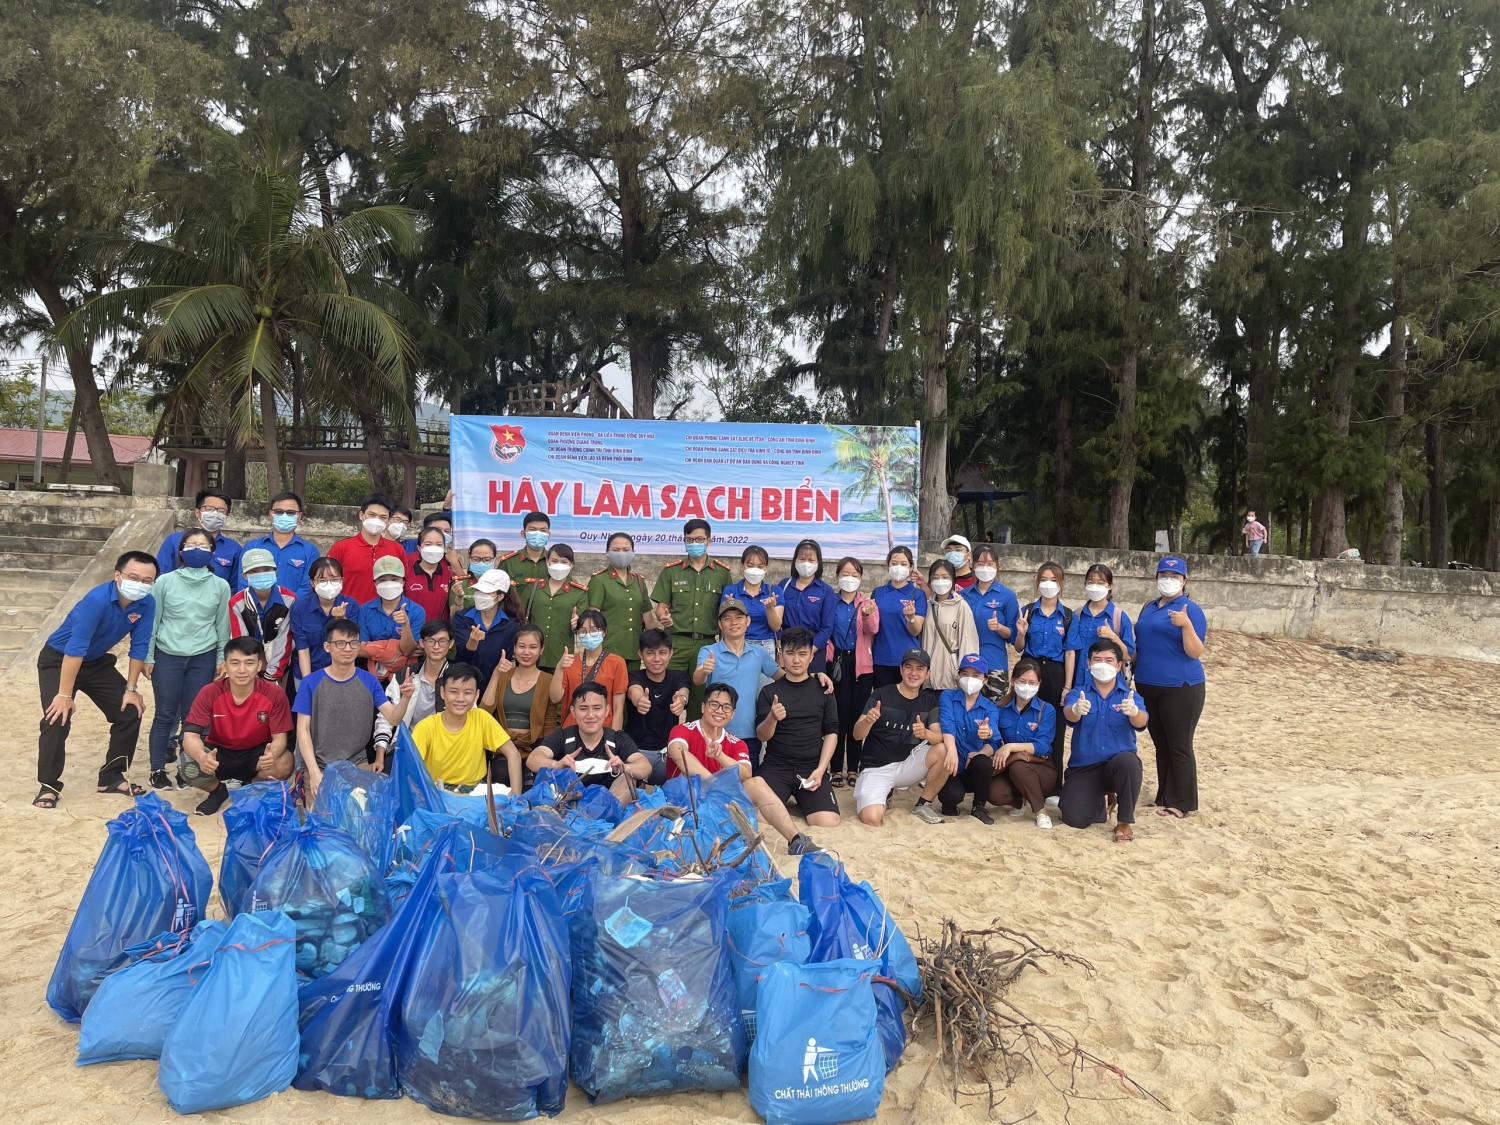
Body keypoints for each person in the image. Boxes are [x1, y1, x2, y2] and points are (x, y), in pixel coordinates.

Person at [33, 551, 158, 808]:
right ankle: (48, 785)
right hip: (60, 659)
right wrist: (64, 696)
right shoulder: (96, 600)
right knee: (57, 715)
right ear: (117, 575)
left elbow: (140, 646)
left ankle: (111, 776)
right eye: (134, 577)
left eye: (148, 580)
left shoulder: (147, 603)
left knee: (130, 709)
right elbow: (74, 648)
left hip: (96, 661)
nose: (141, 584)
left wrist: (131, 689)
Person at [666, 682, 821, 855]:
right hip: (686, 803)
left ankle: (796, 840)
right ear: (703, 707)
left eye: (726, 707)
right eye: (714, 704)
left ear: (732, 714)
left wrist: (719, 756)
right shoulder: (683, 730)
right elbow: (678, 753)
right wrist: (713, 784)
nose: (719, 710)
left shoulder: (736, 742)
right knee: (684, 765)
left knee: (757, 783)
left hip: (720, 805)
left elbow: (746, 773)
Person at [145, 529, 232, 792]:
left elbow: (222, 626)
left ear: (212, 553)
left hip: (203, 657)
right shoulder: (164, 582)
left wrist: (221, 657)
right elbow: (153, 621)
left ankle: (188, 769)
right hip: (167, 654)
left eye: (203, 545)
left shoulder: (220, 585)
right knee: (164, 713)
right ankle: (157, 769)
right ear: (181, 550)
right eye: (191, 544)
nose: (197, 548)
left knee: (194, 718)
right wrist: (148, 656)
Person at [292, 617, 413, 805]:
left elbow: (393, 718)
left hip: (356, 762)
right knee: (322, 821)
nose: (348, 649)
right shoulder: (311, 683)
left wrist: (405, 698)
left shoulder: (370, 680)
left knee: (364, 815)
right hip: (319, 764)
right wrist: (314, 773)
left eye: (353, 643)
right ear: (327, 646)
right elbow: (302, 730)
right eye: (340, 643)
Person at [695, 598, 819, 767]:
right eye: (727, 618)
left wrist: (815, 677)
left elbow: (784, 677)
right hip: (716, 732)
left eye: (738, 618)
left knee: (747, 786)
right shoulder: (709, 651)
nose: (733, 623)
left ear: (748, 621)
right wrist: (704, 670)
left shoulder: (758, 653)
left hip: (749, 735)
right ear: (720, 623)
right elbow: (698, 679)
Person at [177, 637, 294, 815]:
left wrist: (272, 755)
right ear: (225, 666)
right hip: (220, 753)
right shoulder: (210, 692)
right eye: (235, 663)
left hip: (256, 753)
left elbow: (280, 738)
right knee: (187, 765)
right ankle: (217, 792)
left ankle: (251, 786)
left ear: (259, 665)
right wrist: (201, 756)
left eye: (249, 663)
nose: (241, 670)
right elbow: (190, 734)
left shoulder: (274, 693)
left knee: (284, 762)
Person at [1134, 555, 1208, 819]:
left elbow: (1195, 650)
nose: (1168, 580)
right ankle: (1165, 795)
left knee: (1180, 745)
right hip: (1148, 685)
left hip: (1181, 686)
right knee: (1161, 744)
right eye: (1164, 575)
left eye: (1174, 576)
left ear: (1184, 580)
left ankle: (1182, 802)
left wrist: (1186, 625)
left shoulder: (1191, 609)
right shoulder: (1149, 607)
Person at [1060, 639, 1149, 842]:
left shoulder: (1129, 695)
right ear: (1088, 664)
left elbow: (1142, 721)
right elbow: (1069, 715)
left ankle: (1124, 822)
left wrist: (1134, 712)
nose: (1103, 664)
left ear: (1118, 666)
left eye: (1109, 660)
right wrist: (1075, 710)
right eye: (1097, 659)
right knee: (1074, 818)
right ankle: (1105, 801)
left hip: (1117, 765)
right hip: (1085, 767)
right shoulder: (1078, 693)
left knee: (1129, 762)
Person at [849, 648, 951, 826]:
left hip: (907, 766)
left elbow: (938, 737)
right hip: (877, 767)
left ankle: (923, 803)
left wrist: (925, 733)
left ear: (928, 674)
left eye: (920, 669)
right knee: (871, 818)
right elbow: (857, 735)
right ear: (901, 669)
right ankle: (884, 793)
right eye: (909, 667)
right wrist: (868, 721)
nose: (913, 673)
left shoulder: (929, 701)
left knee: (943, 749)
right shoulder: (881, 694)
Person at [754, 627, 841, 828]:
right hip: (776, 767)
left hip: (811, 768)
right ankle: (787, 797)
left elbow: (831, 733)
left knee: (827, 821)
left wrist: (821, 769)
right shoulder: (770, 691)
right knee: (761, 817)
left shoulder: (824, 690)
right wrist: (772, 718)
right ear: (781, 655)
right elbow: (762, 735)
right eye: (790, 653)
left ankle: (804, 800)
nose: (796, 660)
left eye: (802, 654)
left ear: (811, 656)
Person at [527, 682, 650, 805]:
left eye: (597, 708)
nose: (590, 715)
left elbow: (645, 766)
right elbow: (533, 759)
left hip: (609, 811)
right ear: (573, 711)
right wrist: (557, 765)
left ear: (607, 710)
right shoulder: (563, 736)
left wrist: (624, 767)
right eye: (583, 708)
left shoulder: (617, 738)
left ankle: (600, 815)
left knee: (629, 776)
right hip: (570, 809)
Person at [411, 663, 522, 792]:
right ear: (442, 692)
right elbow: (410, 769)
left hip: (474, 792)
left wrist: (515, 796)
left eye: (468, 692)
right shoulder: (426, 727)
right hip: (438, 791)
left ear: (476, 695)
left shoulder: (481, 718)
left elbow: (514, 754)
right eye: (454, 692)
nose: (460, 699)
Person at [651, 518, 733, 681]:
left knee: (700, 696)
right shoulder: (671, 571)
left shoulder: (721, 573)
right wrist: (663, 617)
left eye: (700, 539)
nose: (694, 543)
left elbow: (726, 612)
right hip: (676, 643)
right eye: (690, 540)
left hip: (707, 644)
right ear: (684, 541)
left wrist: (725, 646)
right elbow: (661, 607)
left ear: (709, 541)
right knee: (671, 692)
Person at [987, 658, 1058, 829]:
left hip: (1039, 768)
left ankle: (1041, 811)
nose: (1027, 686)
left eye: (1032, 682)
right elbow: (994, 739)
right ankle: (1021, 800)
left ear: (1039, 684)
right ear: (1013, 681)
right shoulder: (1000, 707)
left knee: (1019, 766)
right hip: (1008, 766)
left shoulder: (1046, 710)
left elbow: (1043, 745)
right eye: (1022, 681)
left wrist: (1010, 747)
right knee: (993, 794)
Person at [1012, 560, 1072, 761]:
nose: (1048, 584)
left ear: (1061, 583)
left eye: (1053, 580)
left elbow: (1070, 652)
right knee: (1025, 718)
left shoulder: (1068, 616)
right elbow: (1018, 647)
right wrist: (1021, 633)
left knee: (1056, 725)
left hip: (1055, 673)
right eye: (1043, 579)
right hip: (1030, 669)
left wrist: (1067, 686)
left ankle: (1054, 785)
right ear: (1037, 582)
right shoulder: (1027, 611)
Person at [827, 557, 878, 787]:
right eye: (845, 574)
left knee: (857, 718)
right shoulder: (830, 602)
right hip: (837, 665)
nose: (850, 578)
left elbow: (873, 629)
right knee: (838, 718)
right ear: (837, 576)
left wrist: (866, 614)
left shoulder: (868, 603)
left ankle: (853, 769)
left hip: (861, 668)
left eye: (855, 575)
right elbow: (825, 630)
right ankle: (836, 768)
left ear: (861, 578)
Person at [936, 654, 1004, 823]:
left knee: (983, 762)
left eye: (976, 675)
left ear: (985, 680)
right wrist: (951, 751)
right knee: (950, 797)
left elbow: (994, 740)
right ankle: (951, 804)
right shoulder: (948, 696)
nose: (969, 679)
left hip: (972, 768)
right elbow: (947, 724)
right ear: (958, 676)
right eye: (965, 674)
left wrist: (985, 738)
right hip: (951, 765)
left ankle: (978, 807)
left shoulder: (990, 707)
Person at [373, 618, 454, 755]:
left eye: (442, 641)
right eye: (430, 641)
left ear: (450, 644)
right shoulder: (405, 674)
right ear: (422, 643)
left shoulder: (457, 678)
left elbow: (470, 717)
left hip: (444, 751)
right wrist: (380, 755)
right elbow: (386, 716)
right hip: (406, 747)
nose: (436, 646)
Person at [480, 624, 558, 758]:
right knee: (501, 773)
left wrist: (545, 754)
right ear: (514, 648)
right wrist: (496, 674)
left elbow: (549, 723)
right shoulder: (503, 676)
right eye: (521, 646)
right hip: (502, 744)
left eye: (533, 647)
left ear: (541, 649)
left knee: (532, 776)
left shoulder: (548, 680)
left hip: (535, 745)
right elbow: (484, 711)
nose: (526, 652)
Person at [624, 628, 690, 786]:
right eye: (650, 653)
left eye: (662, 652)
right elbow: (634, 690)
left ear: (671, 653)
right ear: (641, 655)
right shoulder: (633, 676)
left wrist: (681, 700)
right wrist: (639, 700)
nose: (657, 659)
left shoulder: (679, 676)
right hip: (637, 752)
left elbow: (684, 690)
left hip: (667, 753)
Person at [228, 548, 298, 686]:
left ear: (276, 571)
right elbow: (240, 640)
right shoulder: (237, 602)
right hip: (247, 668)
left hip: (280, 667)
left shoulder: (289, 599)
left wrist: (271, 675)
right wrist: (249, 671)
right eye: (254, 572)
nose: (261, 575)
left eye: (266, 569)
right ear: (244, 576)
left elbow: (284, 639)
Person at [586, 532, 655, 669]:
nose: (621, 553)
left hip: (634, 651)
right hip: (608, 651)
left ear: (633, 552)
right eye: (616, 550)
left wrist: (655, 646)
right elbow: (593, 618)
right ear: (607, 552)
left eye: (626, 550)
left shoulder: (638, 581)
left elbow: (649, 619)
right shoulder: (599, 580)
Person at [551, 608, 629, 729]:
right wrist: (559, 668)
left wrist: (613, 739)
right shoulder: (569, 662)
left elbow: (618, 708)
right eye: (582, 631)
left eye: (593, 630)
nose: (588, 635)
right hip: (572, 729)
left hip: (604, 730)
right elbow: (555, 697)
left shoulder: (617, 663)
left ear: (604, 632)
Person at [767, 539, 836, 672]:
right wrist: (782, 647)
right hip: (788, 648)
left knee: (812, 688)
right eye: (802, 558)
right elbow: (776, 621)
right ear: (795, 560)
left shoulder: (825, 591)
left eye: (811, 560)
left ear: (818, 562)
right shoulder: (784, 586)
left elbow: (827, 627)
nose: (806, 563)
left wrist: (810, 650)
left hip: (814, 650)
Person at [1064, 564, 1136, 690]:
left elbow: (1128, 656)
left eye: (1100, 582)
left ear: (1110, 586)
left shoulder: (1119, 617)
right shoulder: (1077, 615)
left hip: (1109, 688)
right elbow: (1070, 652)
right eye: (1091, 582)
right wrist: (1068, 686)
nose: (1095, 586)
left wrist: (1113, 636)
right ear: (1085, 584)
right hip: (1080, 683)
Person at [325, 493, 406, 605]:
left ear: (388, 521)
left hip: (384, 615)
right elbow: (327, 582)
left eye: (383, 517)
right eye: (372, 515)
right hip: (348, 614)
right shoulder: (341, 548)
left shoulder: (397, 549)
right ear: (361, 515)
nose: (377, 520)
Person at [962, 544, 1019, 698]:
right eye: (980, 564)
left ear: (997, 566)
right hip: (967, 664)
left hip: (995, 664)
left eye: (990, 564)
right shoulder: (964, 596)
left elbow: (1013, 635)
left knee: (993, 712)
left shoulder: (1008, 596)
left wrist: (1000, 627)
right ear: (973, 566)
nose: (985, 568)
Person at [237, 490, 320, 597]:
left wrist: (284, 606)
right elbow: (244, 584)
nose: (284, 516)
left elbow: (307, 587)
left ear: (299, 517)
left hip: (295, 610)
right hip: (257, 610)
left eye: (290, 513)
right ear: (271, 514)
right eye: (279, 512)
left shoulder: (310, 551)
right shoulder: (251, 547)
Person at [291, 556, 361, 680]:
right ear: (312, 583)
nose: (329, 584)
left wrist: (342, 620)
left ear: (342, 581)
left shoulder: (352, 605)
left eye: (334, 579)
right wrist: (308, 680)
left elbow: (350, 644)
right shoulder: (299, 607)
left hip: (342, 673)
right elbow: (302, 647)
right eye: (322, 580)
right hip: (308, 671)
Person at [521, 543, 588, 669]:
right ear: (547, 562)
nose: (559, 565)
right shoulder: (533, 587)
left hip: (561, 656)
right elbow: (521, 616)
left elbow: (581, 626)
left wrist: (577, 625)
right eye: (554, 560)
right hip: (531, 655)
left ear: (572, 565)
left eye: (564, 562)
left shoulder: (580, 593)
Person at [450, 568, 521, 687]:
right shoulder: (462, 618)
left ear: (500, 597)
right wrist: (473, 641)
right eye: (478, 591)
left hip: (495, 685)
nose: (479, 596)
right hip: (464, 683)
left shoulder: (511, 626)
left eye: (486, 593)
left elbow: (507, 660)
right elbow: (462, 656)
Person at [358, 554, 424, 680]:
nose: (388, 584)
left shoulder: (417, 611)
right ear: (375, 583)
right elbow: (361, 649)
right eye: (382, 580)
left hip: (405, 675)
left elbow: (408, 651)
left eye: (394, 579)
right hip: (372, 674)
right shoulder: (365, 610)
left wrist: (406, 625)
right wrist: (395, 649)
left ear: (403, 581)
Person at [869, 546, 926, 688]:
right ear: (887, 565)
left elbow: (915, 631)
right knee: (883, 704)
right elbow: (872, 627)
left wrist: (911, 617)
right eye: (894, 563)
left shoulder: (917, 594)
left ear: (911, 567)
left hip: (908, 660)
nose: (898, 567)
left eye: (903, 564)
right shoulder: (878, 592)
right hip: (881, 659)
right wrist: (869, 654)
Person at [919, 558, 980, 690]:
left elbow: (968, 641)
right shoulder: (928, 605)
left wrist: (966, 674)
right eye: (936, 577)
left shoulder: (961, 606)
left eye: (945, 577)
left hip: (950, 676)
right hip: (927, 678)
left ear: (952, 580)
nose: (940, 581)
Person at [158, 488, 241, 582]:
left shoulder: (234, 549)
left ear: (226, 516)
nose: (215, 514)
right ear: (197, 512)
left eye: (221, 511)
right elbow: (162, 578)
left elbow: (234, 586)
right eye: (209, 509)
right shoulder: (174, 541)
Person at [720, 545, 779, 665]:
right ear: (742, 566)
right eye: (750, 566)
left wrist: (770, 608)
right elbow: (724, 624)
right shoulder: (731, 591)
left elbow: (776, 627)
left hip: (766, 646)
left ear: (766, 568)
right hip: (737, 645)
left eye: (760, 566)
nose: (755, 570)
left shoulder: (774, 591)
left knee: (766, 684)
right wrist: (731, 609)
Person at [403, 525, 456, 625]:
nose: (433, 548)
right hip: (410, 631)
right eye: (428, 544)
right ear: (419, 548)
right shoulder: (405, 573)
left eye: (439, 544)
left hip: (439, 634)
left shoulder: (450, 574)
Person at [497, 510, 552, 588]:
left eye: (543, 530)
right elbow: (499, 590)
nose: (538, 534)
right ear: (523, 534)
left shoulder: (555, 561)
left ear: (548, 535)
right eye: (532, 529)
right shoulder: (508, 562)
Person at [447, 537, 499, 615]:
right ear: (469, 559)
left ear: (494, 560)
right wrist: (459, 598)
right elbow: (453, 616)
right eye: (476, 559)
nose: (481, 563)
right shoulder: (460, 584)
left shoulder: (501, 584)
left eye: (487, 560)